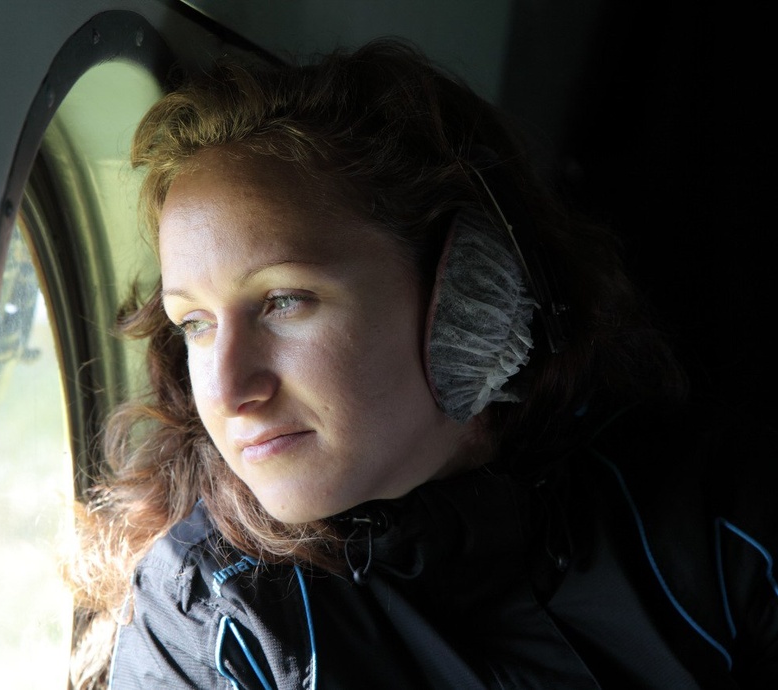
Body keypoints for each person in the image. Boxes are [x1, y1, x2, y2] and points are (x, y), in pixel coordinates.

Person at [69, 38, 777, 689]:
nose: (227, 391)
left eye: (284, 301)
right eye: (194, 323)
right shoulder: (211, 619)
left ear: (473, 288)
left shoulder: (717, 521)